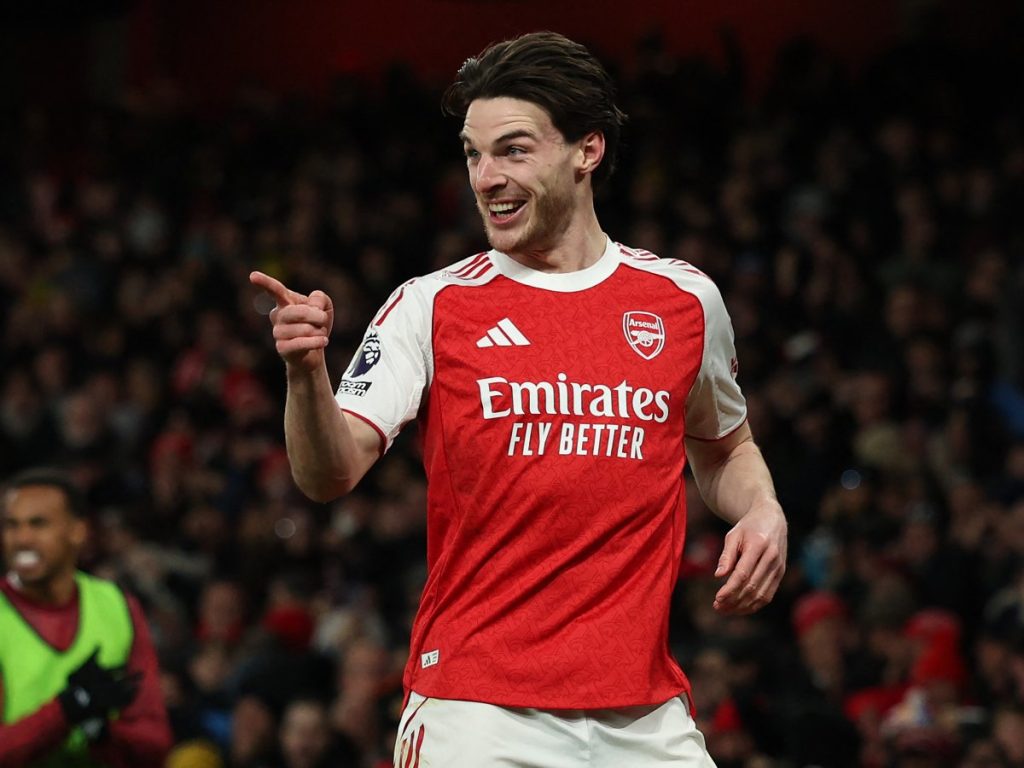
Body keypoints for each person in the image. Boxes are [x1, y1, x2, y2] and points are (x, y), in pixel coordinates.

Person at [251, 31, 787, 766]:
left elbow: (725, 447)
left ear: (586, 150)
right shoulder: (430, 305)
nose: (485, 177)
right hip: (479, 712)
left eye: (512, 150)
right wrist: (306, 373)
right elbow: (328, 473)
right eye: (473, 154)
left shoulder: (684, 301)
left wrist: (762, 509)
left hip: (645, 715)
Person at [0, 468, 172, 767]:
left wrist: (102, 733)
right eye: (11, 525)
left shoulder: (117, 605)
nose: (22, 538)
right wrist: (66, 710)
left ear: (78, 530)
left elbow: (155, 741)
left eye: (38, 524)